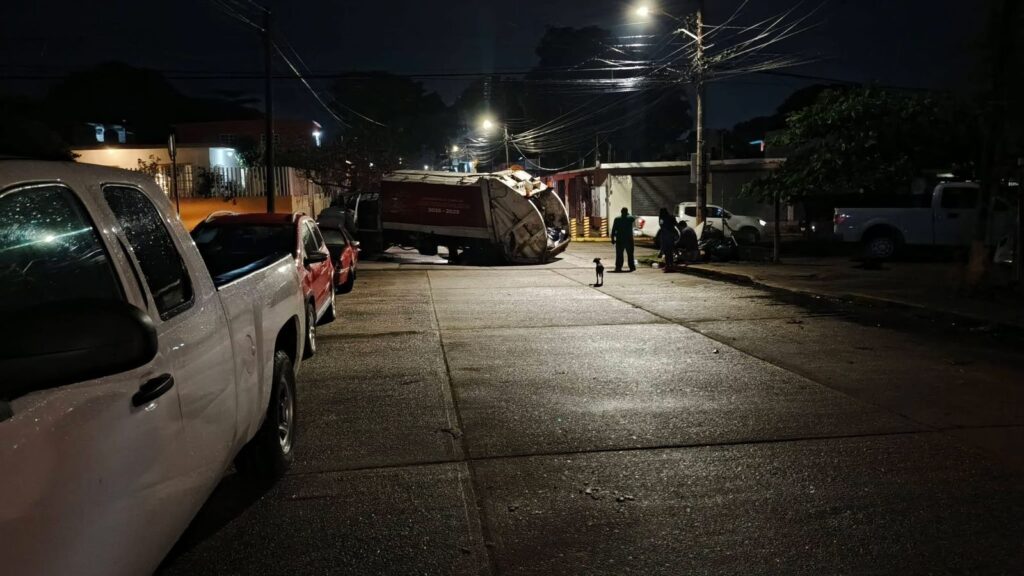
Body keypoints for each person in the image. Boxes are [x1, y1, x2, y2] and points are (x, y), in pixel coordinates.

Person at [610, 207, 637, 272]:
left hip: (620, 239)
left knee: (619, 255)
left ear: (621, 212)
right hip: (629, 239)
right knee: (630, 254)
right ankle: (632, 267)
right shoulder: (630, 218)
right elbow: (633, 218)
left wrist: (612, 239)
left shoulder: (617, 219)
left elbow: (613, 229)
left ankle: (618, 267)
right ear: (627, 212)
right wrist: (627, 213)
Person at [658, 207, 678, 272]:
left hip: (665, 237)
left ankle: (667, 267)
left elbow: (661, 226)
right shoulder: (671, 217)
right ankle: (671, 266)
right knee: (670, 252)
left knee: (667, 253)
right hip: (671, 236)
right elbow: (676, 224)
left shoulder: (661, 218)